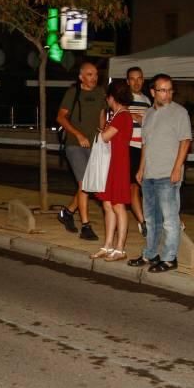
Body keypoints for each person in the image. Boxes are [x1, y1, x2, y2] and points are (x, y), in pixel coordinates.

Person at [128, 73, 192, 273]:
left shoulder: (180, 113)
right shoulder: (148, 115)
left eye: (170, 90)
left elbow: (185, 141)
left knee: (170, 220)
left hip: (167, 174)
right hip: (149, 175)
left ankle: (170, 258)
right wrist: (140, 169)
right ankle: (150, 253)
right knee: (151, 218)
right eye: (163, 90)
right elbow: (146, 143)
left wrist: (176, 168)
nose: (167, 94)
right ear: (153, 92)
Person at [56, 62, 107, 241]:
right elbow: (60, 117)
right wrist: (78, 135)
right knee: (85, 184)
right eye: (89, 74)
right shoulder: (73, 92)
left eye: (95, 74)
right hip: (75, 144)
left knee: (91, 184)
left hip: (94, 144)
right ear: (81, 77)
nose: (93, 78)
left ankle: (67, 212)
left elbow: (102, 115)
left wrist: (103, 137)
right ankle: (86, 226)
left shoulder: (101, 93)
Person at [89, 81, 133, 262]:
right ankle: (107, 245)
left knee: (118, 205)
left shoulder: (122, 116)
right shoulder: (115, 115)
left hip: (118, 164)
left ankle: (120, 248)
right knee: (107, 204)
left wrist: (102, 128)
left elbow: (105, 136)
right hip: (109, 163)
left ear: (111, 97)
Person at [126, 66, 150, 236]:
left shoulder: (148, 101)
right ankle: (143, 222)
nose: (136, 82)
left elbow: (149, 125)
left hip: (144, 148)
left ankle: (148, 219)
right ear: (128, 82)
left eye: (139, 78)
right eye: (133, 79)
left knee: (146, 186)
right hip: (129, 148)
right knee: (133, 186)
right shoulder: (124, 99)